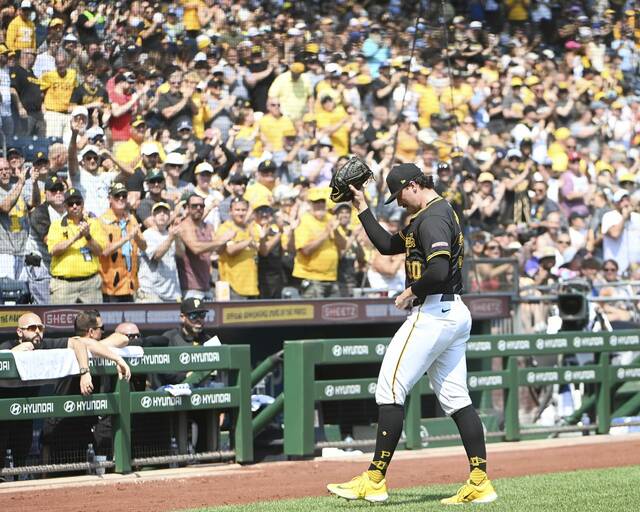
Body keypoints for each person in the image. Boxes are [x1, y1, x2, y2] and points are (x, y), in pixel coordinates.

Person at [328, 164, 497, 504]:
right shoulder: (433, 212)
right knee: (455, 398)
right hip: (453, 312)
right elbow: (388, 246)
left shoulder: (433, 216)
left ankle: (374, 479)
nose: (399, 202)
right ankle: (479, 481)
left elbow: (437, 269)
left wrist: (410, 291)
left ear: (414, 184)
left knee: (390, 387)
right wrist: (360, 205)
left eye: (400, 193)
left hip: (434, 311)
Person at [47, 187, 106, 304]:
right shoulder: (56, 225)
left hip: (90, 284)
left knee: (93, 321)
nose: (74, 206)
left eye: (78, 203)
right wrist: (75, 238)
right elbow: (54, 250)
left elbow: (99, 252)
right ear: (65, 206)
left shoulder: (93, 223)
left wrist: (88, 236)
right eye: (70, 203)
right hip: (63, 285)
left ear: (83, 204)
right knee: (61, 319)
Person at [176, 193, 235, 299]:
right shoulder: (184, 226)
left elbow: (218, 250)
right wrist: (220, 240)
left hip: (206, 286)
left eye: (201, 206)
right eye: (194, 206)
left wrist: (225, 241)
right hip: (190, 288)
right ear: (187, 208)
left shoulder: (208, 226)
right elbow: (195, 248)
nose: (198, 208)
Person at [99, 182, 146, 302]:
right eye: (117, 196)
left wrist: (136, 237)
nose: (121, 199)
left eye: (124, 196)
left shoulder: (131, 218)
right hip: (111, 286)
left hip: (130, 284)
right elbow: (104, 251)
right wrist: (127, 237)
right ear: (110, 199)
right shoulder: (102, 221)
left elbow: (144, 246)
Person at [293, 187, 344, 298]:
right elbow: (305, 250)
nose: (319, 205)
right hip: (311, 278)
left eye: (322, 202)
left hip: (331, 277)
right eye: (316, 202)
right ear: (310, 204)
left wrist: (335, 231)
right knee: (314, 314)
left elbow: (343, 246)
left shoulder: (330, 218)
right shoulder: (304, 221)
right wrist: (326, 233)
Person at [137, 202, 183, 302]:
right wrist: (171, 238)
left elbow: (181, 254)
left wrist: (177, 237)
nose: (162, 215)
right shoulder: (147, 234)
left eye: (165, 212)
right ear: (153, 216)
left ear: (170, 216)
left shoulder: (170, 234)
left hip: (172, 293)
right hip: (151, 293)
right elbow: (156, 256)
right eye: (158, 212)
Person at [216, 197, 260, 300]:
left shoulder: (251, 228)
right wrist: (249, 240)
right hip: (233, 286)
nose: (241, 213)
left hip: (252, 285)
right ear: (230, 212)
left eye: (244, 210)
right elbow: (230, 250)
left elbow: (259, 247)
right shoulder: (226, 228)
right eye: (237, 210)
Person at [0, 157, 33, 280]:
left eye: (6, 169)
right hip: (4, 252)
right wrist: (21, 183)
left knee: (23, 293)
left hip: (22, 251)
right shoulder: (18, 186)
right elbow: (5, 207)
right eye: (0, 170)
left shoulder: (17, 188)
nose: (4, 172)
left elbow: (34, 203)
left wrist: (33, 182)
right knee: (8, 293)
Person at [601, 189, 640, 276]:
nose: (625, 203)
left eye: (627, 200)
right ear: (616, 204)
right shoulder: (609, 216)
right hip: (614, 268)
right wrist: (624, 218)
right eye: (622, 200)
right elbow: (615, 234)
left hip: (636, 268)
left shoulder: (637, 218)